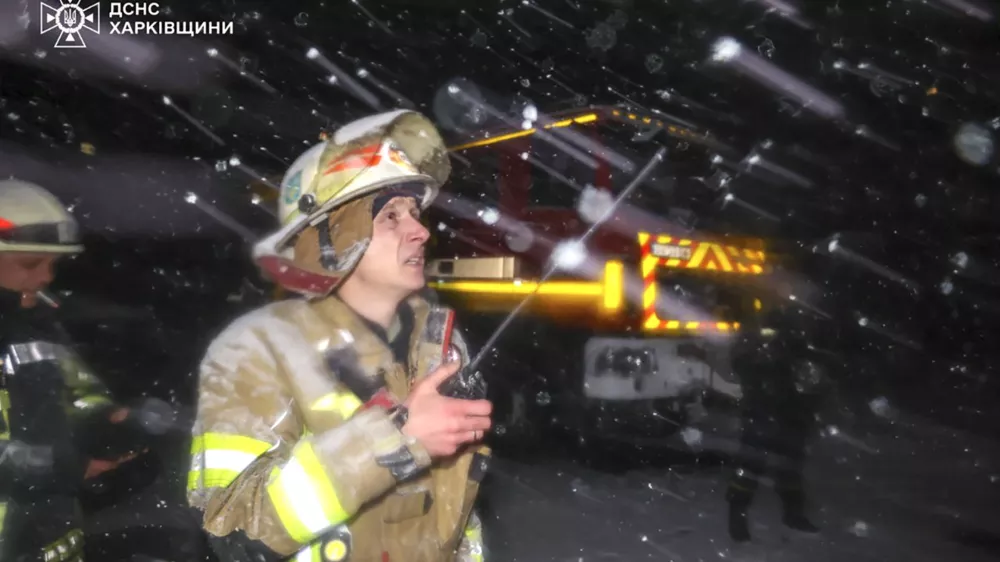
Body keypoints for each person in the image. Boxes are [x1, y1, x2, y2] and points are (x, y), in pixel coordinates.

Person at [187, 110, 493, 562]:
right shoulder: (256, 349)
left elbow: (453, 521)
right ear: (329, 236)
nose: (421, 230)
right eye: (391, 216)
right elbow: (234, 530)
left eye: (415, 211)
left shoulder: (438, 343)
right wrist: (395, 439)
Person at [0, 179, 153, 561]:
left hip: (50, 540)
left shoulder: (36, 325)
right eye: (31, 263)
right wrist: (59, 466)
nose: (47, 277)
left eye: (53, 264)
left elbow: (78, 393)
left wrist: (107, 422)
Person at [725, 292, 826, 543]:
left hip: (788, 417)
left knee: (789, 470)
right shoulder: (755, 342)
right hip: (761, 416)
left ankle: (794, 515)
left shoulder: (796, 345)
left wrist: (807, 408)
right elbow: (742, 366)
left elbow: (809, 379)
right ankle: (737, 521)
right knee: (749, 471)